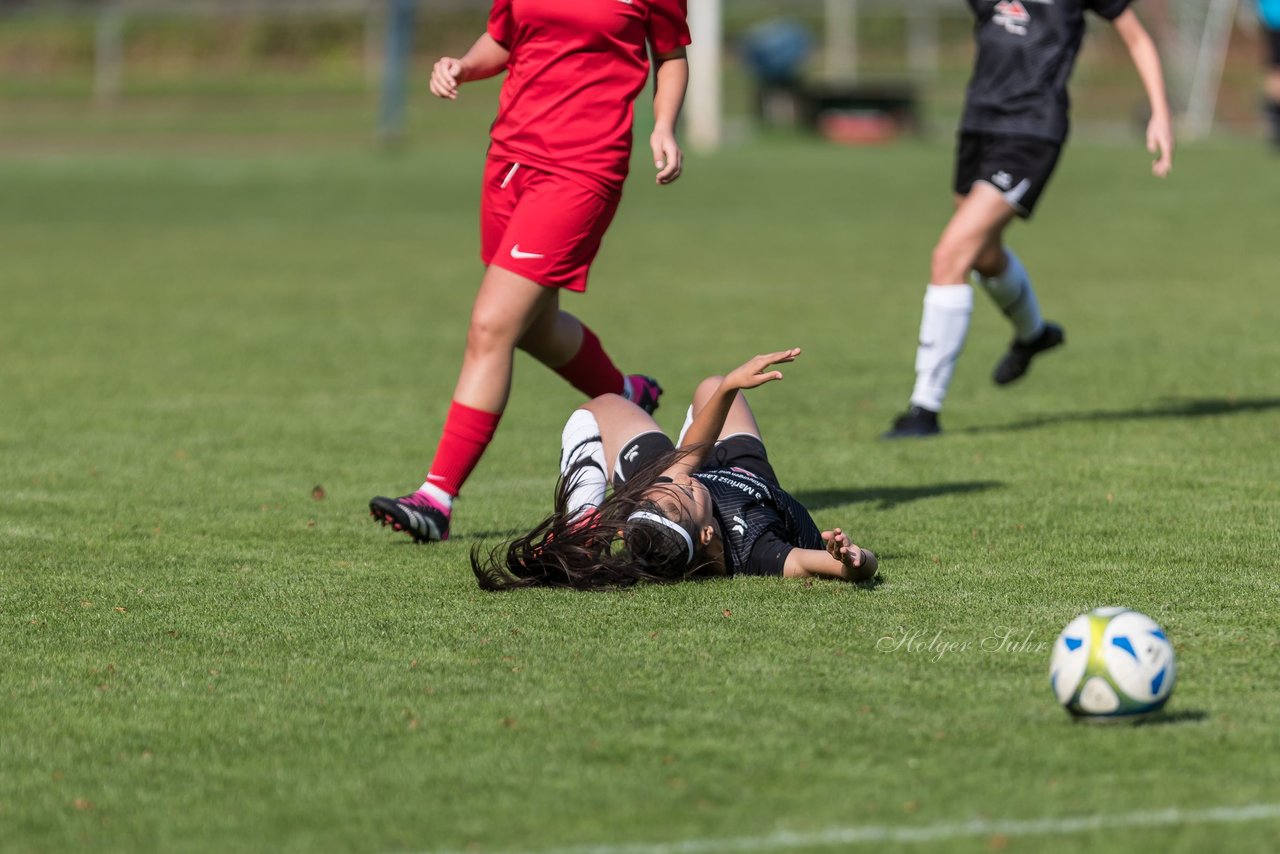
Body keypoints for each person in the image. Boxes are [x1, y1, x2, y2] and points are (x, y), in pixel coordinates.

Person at [370, 0, 692, 542]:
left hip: (583, 167)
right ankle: (624, 394)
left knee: (493, 324)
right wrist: (463, 66)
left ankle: (436, 498)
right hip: (509, 159)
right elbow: (504, 36)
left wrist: (663, 125)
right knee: (534, 325)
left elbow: (671, 54)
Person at [883, 0, 1174, 438]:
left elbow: (1136, 35)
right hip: (979, 123)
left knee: (950, 256)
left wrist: (1160, 112)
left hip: (1032, 130)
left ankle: (924, 409)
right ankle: (1034, 335)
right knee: (982, 253)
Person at [471, 349, 878, 590]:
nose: (680, 479)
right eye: (682, 490)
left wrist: (728, 388)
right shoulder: (757, 550)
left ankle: (581, 527)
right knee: (711, 390)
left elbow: (687, 464)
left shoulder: (673, 490)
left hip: (696, 480)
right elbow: (832, 567)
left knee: (606, 406)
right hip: (746, 476)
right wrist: (854, 558)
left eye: (669, 485)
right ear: (706, 533)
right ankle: (588, 522)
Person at [1261, 0, 1280, 147]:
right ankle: (1276, 121)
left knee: (1275, 71)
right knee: (1275, 72)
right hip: (1274, 19)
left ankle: (1275, 121)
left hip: (1271, 19)